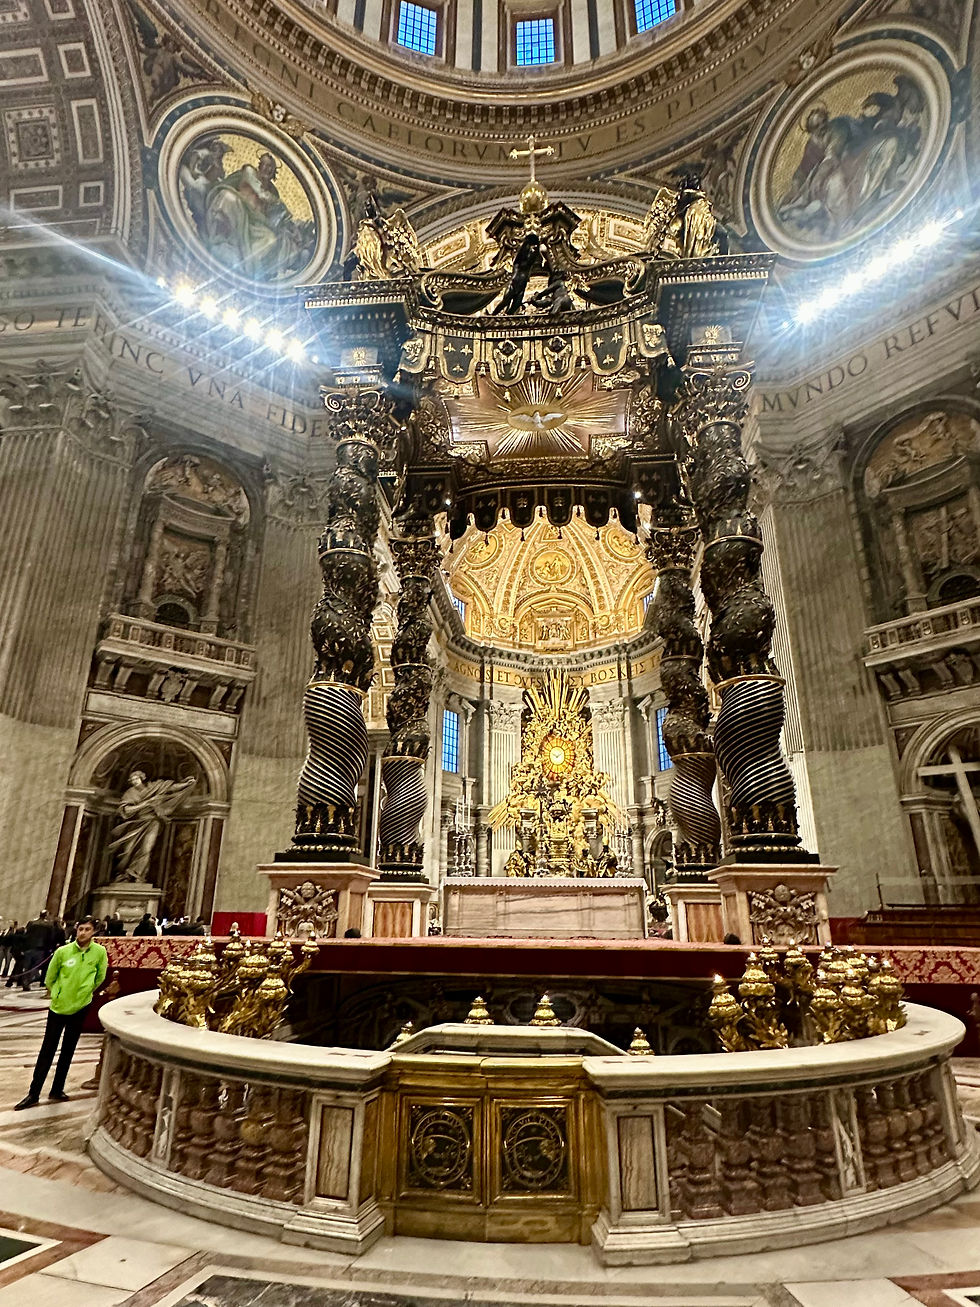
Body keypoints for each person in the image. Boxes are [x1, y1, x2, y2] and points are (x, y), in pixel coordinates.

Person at [14, 917, 108, 1110]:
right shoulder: (63, 951)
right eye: (80, 929)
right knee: (47, 1050)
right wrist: (57, 993)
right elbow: (50, 978)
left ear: (94, 932)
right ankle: (33, 1093)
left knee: (68, 1049)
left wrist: (86, 991)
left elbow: (100, 976)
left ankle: (57, 1089)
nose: (83, 933)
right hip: (59, 1006)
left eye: (87, 929)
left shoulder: (99, 952)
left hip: (81, 1006)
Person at [20, 910, 57, 991]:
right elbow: (51, 938)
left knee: (27, 967)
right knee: (35, 967)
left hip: (29, 948)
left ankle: (25, 981)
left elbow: (26, 936)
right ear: (46, 915)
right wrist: (50, 949)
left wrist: (23, 948)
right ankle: (28, 981)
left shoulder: (31, 923)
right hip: (41, 949)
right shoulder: (49, 925)